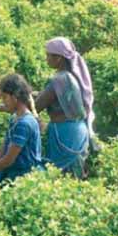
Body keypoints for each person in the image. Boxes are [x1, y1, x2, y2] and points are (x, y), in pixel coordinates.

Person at [34, 38, 94, 179]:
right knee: (74, 174)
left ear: (59, 58)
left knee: (60, 175)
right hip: (77, 129)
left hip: (64, 132)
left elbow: (37, 106)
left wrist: (7, 103)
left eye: (49, 55)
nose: (46, 58)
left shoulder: (59, 79)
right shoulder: (72, 76)